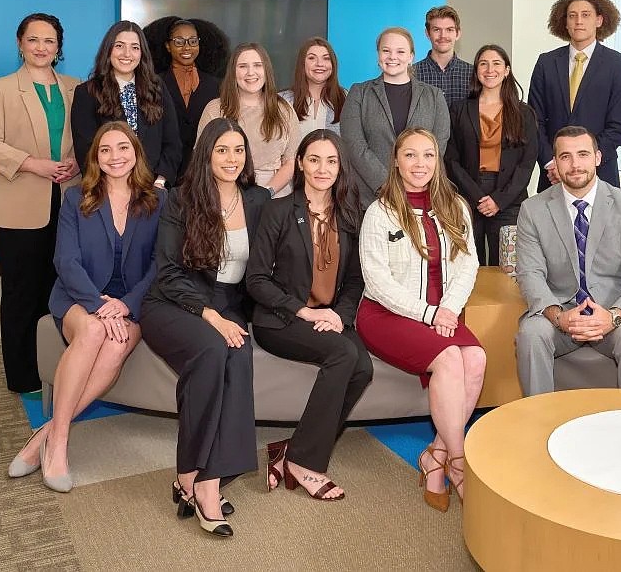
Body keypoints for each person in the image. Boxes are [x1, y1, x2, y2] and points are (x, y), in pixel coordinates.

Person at [6, 121, 164, 492]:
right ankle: (58, 444)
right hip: (79, 295)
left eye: (123, 148)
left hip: (133, 301)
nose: (115, 157)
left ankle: (45, 436)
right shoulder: (76, 198)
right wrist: (98, 304)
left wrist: (124, 305)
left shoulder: (159, 202)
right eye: (105, 150)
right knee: (93, 330)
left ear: (136, 153)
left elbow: (161, 264)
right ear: (95, 157)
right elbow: (66, 261)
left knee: (114, 346)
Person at [140, 118, 270, 537]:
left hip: (228, 303)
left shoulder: (259, 200)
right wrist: (210, 316)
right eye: (222, 150)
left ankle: (198, 479)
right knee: (213, 350)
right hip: (174, 302)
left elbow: (270, 263)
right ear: (206, 153)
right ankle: (202, 482)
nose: (231, 159)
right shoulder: (180, 200)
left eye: (238, 150)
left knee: (239, 352)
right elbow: (169, 272)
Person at [357, 128, 485, 512]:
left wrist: (447, 309)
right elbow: (377, 282)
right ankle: (459, 465)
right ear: (395, 161)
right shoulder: (379, 212)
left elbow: (468, 264)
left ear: (437, 160)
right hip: (387, 313)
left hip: (441, 311)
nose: (420, 164)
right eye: (410, 155)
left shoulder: (455, 206)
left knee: (476, 358)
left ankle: (436, 456)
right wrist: (430, 313)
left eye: (428, 155)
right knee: (449, 359)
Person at [246, 130, 372, 502]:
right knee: (344, 354)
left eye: (331, 161)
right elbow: (255, 278)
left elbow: (355, 279)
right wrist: (299, 309)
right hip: (281, 319)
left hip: (328, 316)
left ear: (340, 167)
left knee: (362, 368)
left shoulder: (351, 215)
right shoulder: (279, 211)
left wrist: (339, 315)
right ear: (300, 163)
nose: (322, 168)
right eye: (314, 159)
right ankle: (305, 463)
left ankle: (291, 451)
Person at [0, 12, 80, 393]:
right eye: (33, 40)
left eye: (49, 41)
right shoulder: (0, 89)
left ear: (58, 47)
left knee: (57, 288)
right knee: (22, 291)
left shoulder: (74, 87)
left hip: (68, 203)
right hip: (18, 206)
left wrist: (76, 162)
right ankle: (22, 375)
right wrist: (34, 164)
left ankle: (52, 365)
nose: (41, 47)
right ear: (20, 43)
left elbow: (86, 138)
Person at [514, 126, 621, 396]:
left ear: (598, 158)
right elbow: (530, 274)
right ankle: (535, 422)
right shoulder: (532, 210)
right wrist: (559, 317)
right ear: (555, 163)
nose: (575, 164)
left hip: (614, 313)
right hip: (560, 311)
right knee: (531, 334)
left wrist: (615, 316)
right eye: (565, 156)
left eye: (582, 154)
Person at [529, 0, 621, 190]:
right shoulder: (546, 63)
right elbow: (534, 121)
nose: (578, 21)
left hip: (600, 174)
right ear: (565, 22)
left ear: (599, 20)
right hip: (553, 175)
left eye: (586, 15)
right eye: (572, 16)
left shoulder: (617, 64)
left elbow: (618, 127)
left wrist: (582, 163)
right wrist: (554, 163)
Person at [445, 44, 538, 266]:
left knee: (507, 267)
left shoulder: (523, 112)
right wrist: (478, 197)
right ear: (476, 70)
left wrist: (499, 199)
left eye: (496, 63)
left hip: (510, 199)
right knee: (467, 266)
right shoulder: (459, 110)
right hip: (468, 196)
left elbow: (527, 163)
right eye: (483, 64)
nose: (490, 69)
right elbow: (451, 159)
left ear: (506, 70)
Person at [341, 27, 450, 206]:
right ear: (378, 55)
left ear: (411, 57)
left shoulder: (434, 96)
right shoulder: (359, 93)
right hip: (371, 198)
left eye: (400, 51)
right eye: (386, 51)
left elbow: (437, 145)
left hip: (422, 196)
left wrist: (413, 183)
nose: (393, 57)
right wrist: (388, 186)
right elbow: (354, 146)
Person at [72, 20, 181, 188]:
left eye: (135, 47)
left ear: (142, 53)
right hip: (107, 190)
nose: (127, 54)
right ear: (108, 50)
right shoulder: (87, 92)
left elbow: (172, 142)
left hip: (152, 190)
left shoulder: (157, 88)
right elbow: (86, 151)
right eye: (119, 46)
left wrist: (160, 182)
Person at [199, 43, 300, 199]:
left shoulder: (284, 109)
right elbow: (202, 159)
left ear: (266, 70)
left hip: (276, 196)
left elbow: (291, 161)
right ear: (233, 72)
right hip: (224, 195)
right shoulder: (214, 109)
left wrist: (267, 192)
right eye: (243, 66)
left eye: (257, 65)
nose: (250, 72)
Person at [148, 18, 223, 182]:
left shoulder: (215, 85)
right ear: (168, 46)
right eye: (179, 41)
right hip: (161, 174)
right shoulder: (152, 84)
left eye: (192, 41)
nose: (187, 47)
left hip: (204, 173)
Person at [280, 37, 347, 137]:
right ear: (302, 63)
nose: (320, 64)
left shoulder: (348, 98)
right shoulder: (282, 100)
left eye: (326, 58)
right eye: (312, 58)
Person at [410, 5, 473, 106]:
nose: (443, 35)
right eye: (437, 30)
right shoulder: (412, 74)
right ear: (427, 33)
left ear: (458, 34)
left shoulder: (473, 74)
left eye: (449, 29)